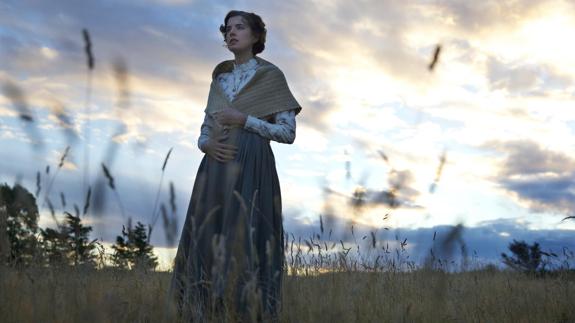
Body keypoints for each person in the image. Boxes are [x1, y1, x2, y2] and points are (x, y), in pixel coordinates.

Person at [167, 10, 302, 323]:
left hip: (253, 166)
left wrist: (245, 120)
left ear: (256, 36)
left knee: (248, 237)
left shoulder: (271, 76)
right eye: (227, 29)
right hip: (214, 168)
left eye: (239, 27)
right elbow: (205, 128)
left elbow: (288, 133)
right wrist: (206, 145)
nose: (231, 33)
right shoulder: (221, 79)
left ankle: (248, 311)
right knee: (206, 236)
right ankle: (202, 311)